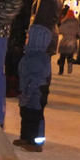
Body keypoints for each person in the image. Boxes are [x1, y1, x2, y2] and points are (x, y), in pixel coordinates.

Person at [15, 24, 53, 152]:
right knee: (26, 113)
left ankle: (35, 142)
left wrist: (28, 91)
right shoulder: (30, 54)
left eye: (28, 37)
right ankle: (25, 137)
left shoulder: (37, 57)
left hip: (35, 92)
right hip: (28, 90)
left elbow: (37, 78)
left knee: (34, 116)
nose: (26, 39)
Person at [5, 0, 33, 97]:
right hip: (19, 35)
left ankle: (10, 87)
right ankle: (14, 87)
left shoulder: (11, 0)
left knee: (10, 62)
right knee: (17, 62)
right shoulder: (27, 2)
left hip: (10, 35)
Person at [56, 9, 80, 75]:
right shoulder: (76, 24)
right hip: (72, 43)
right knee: (70, 56)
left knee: (62, 57)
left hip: (64, 42)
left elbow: (60, 30)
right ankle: (70, 64)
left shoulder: (64, 23)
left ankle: (61, 70)